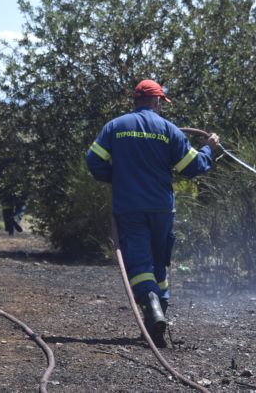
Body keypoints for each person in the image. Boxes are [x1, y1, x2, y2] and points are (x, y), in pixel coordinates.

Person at [85, 79, 219, 347]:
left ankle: (153, 311)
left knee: (139, 264)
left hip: (129, 208)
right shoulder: (169, 130)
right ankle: (156, 320)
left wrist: (118, 178)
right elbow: (193, 166)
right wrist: (210, 148)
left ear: (135, 100)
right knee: (159, 265)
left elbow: (94, 160)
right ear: (157, 101)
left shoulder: (115, 127)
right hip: (162, 209)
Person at [0, 155, 26, 236]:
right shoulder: (20, 154)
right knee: (21, 204)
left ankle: (10, 228)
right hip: (19, 185)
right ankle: (15, 218)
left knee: (7, 206)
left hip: (2, 187)